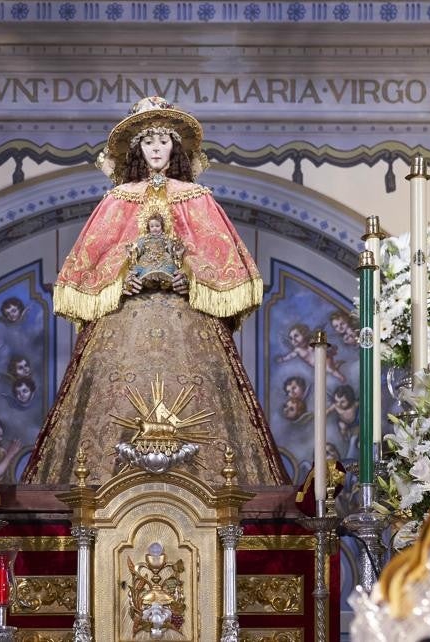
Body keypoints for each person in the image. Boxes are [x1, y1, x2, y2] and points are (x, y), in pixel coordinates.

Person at [23, 97, 286, 485]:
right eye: (149, 142)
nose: (157, 149)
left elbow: (226, 267)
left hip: (189, 325)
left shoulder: (198, 200)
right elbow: (89, 266)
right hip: (123, 324)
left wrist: (191, 280)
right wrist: (119, 282)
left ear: (176, 147)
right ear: (137, 150)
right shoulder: (117, 201)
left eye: (164, 141)